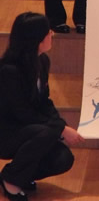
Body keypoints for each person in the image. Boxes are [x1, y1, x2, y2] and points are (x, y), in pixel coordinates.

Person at [0, 12, 84, 200]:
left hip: (30, 130)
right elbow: (23, 113)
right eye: (48, 32)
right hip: (7, 133)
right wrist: (59, 129)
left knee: (63, 158)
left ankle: (15, 175)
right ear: (36, 40)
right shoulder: (9, 71)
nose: (52, 35)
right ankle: (11, 181)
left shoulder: (42, 61)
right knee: (45, 133)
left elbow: (44, 101)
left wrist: (59, 124)